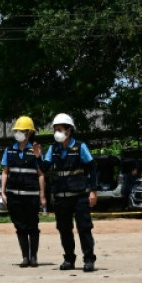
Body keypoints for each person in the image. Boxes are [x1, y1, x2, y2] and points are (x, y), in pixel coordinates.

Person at [43, 113, 98, 272]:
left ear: (69, 130)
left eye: (59, 129)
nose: (56, 133)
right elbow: (44, 168)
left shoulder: (80, 147)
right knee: (64, 229)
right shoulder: (53, 149)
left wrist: (93, 191)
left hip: (80, 195)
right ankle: (69, 259)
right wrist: (39, 158)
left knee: (84, 228)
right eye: (55, 130)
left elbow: (92, 168)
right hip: (61, 196)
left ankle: (88, 259)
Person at [1, 116, 46, 267]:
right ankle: (25, 257)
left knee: (32, 226)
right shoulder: (9, 150)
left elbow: (41, 174)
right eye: (17, 130)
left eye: (21, 131)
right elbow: (5, 172)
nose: (18, 133)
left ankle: (34, 257)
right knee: (20, 227)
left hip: (31, 196)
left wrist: (42, 195)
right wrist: (2, 192)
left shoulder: (35, 151)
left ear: (29, 133)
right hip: (14, 197)